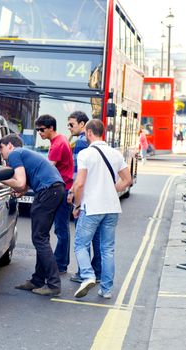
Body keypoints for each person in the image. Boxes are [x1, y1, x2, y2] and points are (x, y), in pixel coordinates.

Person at [71, 119, 132, 299]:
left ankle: (88, 276)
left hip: (92, 207)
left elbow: (80, 183)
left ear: (89, 133)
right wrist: (111, 191)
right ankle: (106, 290)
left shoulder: (85, 154)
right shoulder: (115, 153)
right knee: (108, 249)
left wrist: (76, 204)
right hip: (112, 207)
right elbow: (127, 180)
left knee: (80, 244)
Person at [0, 134, 65, 296]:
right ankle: (37, 280)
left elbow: (20, 183)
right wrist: (18, 192)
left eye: (1, 148)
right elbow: (24, 185)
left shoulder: (15, 154)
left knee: (39, 239)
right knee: (41, 237)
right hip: (55, 190)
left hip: (48, 192)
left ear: (9, 146)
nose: (1, 153)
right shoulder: (23, 153)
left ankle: (53, 284)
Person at [35, 114, 73, 274]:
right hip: (64, 187)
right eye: (37, 130)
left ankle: (60, 264)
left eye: (42, 129)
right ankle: (61, 262)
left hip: (62, 190)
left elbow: (47, 170)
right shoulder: (60, 140)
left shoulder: (57, 145)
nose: (39, 133)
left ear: (51, 128)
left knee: (61, 229)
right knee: (61, 228)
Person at [66, 111, 101, 285]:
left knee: (82, 238)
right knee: (98, 239)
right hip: (97, 197)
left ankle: (83, 273)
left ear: (82, 125)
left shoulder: (80, 143)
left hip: (85, 196)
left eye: (71, 124)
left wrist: (74, 195)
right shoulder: (90, 143)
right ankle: (98, 271)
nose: (69, 128)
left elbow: (77, 175)